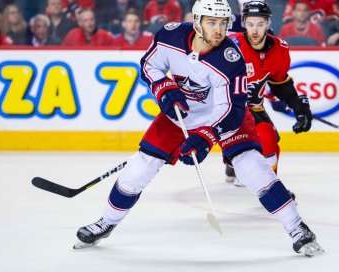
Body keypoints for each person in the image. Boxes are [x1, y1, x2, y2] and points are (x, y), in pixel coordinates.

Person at [73, 0, 324, 257]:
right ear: (196, 21)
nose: (219, 30)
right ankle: (106, 222)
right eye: (212, 22)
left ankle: (297, 228)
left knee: (251, 166)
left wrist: (206, 136)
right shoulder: (170, 35)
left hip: (225, 116)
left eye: (223, 24)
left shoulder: (231, 58)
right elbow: (150, 65)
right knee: (140, 167)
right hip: (182, 113)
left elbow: (233, 109)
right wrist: (163, 88)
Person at [225, 1, 313, 191]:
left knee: (269, 142)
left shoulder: (279, 49)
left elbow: (280, 84)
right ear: (244, 23)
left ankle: (270, 188)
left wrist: (297, 105)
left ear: (268, 23)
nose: (255, 30)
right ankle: (236, 161)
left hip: (253, 108)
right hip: (225, 108)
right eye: (250, 24)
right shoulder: (231, 46)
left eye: (260, 24)